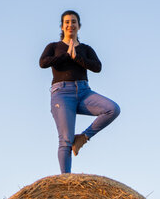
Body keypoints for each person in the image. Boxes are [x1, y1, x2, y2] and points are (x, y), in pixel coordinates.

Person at [39, 10, 120, 173]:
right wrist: (66, 56)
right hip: (61, 94)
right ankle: (65, 181)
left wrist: (77, 58)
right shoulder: (54, 47)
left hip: (84, 92)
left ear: (79, 26)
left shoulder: (85, 48)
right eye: (67, 22)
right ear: (62, 26)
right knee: (65, 140)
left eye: (74, 22)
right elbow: (43, 63)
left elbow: (97, 67)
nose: (70, 25)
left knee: (112, 109)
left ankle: (83, 137)